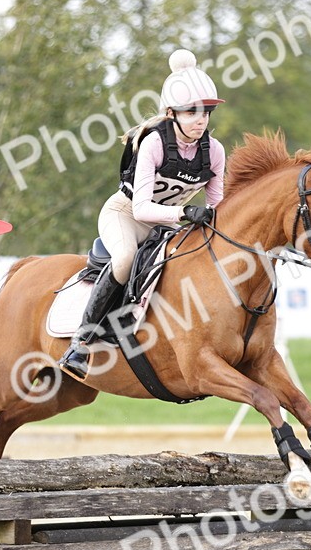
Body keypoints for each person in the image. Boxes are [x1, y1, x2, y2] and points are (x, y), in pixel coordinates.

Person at [58, 48, 227, 380]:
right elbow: (142, 208)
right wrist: (185, 211)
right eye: (191, 112)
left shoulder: (215, 151)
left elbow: (217, 206)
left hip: (167, 226)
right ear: (171, 113)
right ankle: (81, 341)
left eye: (206, 112)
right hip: (127, 216)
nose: (201, 120)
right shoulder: (154, 143)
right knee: (125, 258)